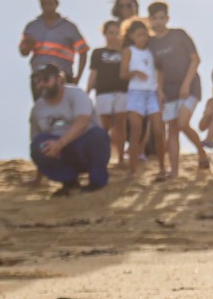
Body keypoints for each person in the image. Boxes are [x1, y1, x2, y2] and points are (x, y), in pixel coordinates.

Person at [147, 1, 208, 178]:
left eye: (161, 18)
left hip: (189, 86)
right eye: (154, 19)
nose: (158, 22)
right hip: (169, 91)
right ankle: (174, 172)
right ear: (150, 20)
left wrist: (186, 84)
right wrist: (159, 91)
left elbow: (195, 59)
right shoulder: (151, 44)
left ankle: (201, 151)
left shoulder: (179, 34)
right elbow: (157, 70)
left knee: (182, 123)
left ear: (167, 18)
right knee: (172, 129)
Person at [30, 64, 110, 194]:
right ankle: (69, 182)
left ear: (60, 79)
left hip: (84, 146)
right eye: (37, 81)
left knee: (98, 135)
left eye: (46, 79)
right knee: (39, 144)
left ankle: (97, 183)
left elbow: (82, 122)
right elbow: (36, 142)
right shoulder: (37, 109)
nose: (41, 84)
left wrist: (60, 144)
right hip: (60, 153)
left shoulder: (77, 94)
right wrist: (38, 178)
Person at [19, 0, 88, 97]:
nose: (47, 7)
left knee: (63, 111)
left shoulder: (68, 27)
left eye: (50, 4)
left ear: (57, 4)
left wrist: (78, 77)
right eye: (44, 4)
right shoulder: (33, 27)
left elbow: (83, 51)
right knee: (42, 110)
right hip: (40, 76)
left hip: (63, 76)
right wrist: (28, 44)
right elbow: (23, 52)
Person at [86, 20, 130, 167]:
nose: (114, 36)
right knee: (103, 125)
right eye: (110, 32)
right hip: (103, 92)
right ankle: (102, 157)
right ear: (104, 34)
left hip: (122, 91)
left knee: (120, 124)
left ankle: (121, 158)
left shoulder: (126, 52)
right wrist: (87, 90)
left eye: (117, 33)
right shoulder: (98, 53)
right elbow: (94, 73)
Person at [119, 19, 161, 173]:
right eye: (139, 35)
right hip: (136, 91)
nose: (143, 38)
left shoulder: (151, 51)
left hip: (152, 91)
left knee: (156, 129)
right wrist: (135, 72)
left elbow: (159, 70)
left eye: (145, 34)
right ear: (131, 36)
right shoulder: (129, 50)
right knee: (135, 130)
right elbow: (123, 74)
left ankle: (161, 167)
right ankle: (132, 169)